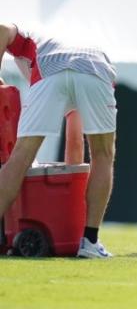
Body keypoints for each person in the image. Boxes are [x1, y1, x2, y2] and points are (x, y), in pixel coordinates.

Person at [0, 24, 117, 258]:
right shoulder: (88, 46)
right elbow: (75, 145)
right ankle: (90, 242)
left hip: (50, 69)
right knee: (103, 156)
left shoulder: (30, 39)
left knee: (21, 156)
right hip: (95, 71)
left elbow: (2, 28)